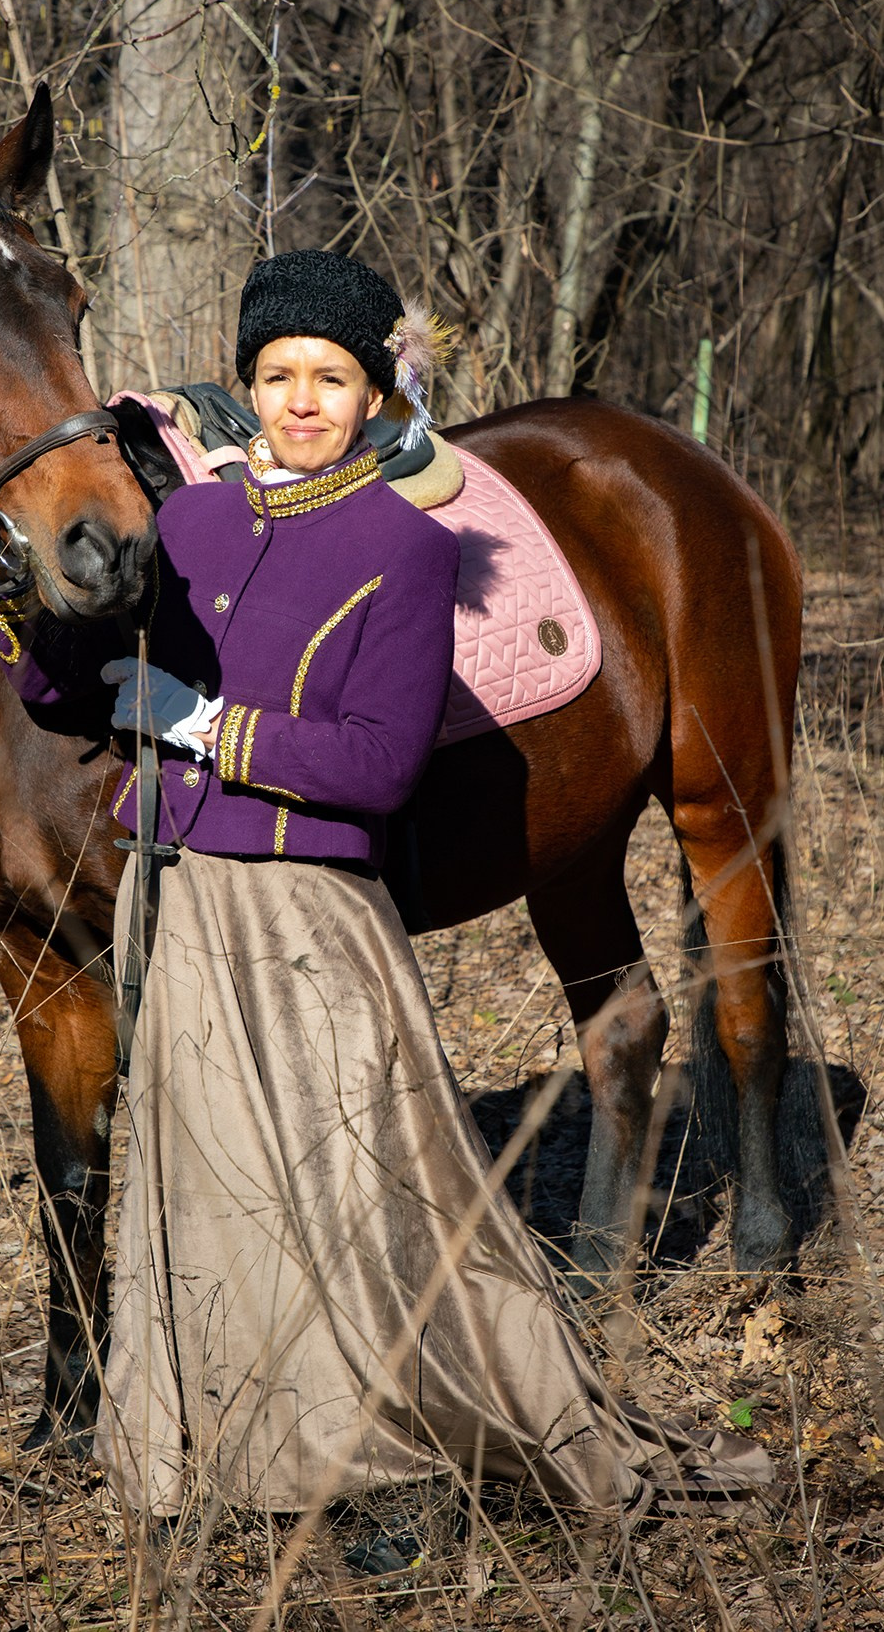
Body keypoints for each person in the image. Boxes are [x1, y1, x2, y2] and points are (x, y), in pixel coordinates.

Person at [92, 249, 771, 1571]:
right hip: (180, 894)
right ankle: (217, 1439)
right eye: (277, 376)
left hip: (308, 901)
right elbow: (75, 689)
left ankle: (389, 1457)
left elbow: (376, 766)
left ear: (372, 392)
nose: (299, 400)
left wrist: (205, 725)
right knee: (202, 1172)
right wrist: (30, 639)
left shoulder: (406, 547)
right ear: (243, 388)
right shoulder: (187, 526)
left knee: (364, 1177)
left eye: (329, 377)